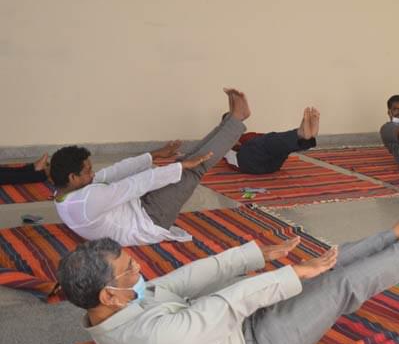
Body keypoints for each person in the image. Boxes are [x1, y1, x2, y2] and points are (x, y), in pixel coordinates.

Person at [56, 191, 399, 344]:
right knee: (333, 287)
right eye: (130, 269)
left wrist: (257, 257)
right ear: (108, 294)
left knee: (319, 268)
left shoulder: (119, 305)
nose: (141, 270)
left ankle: (391, 237)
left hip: (234, 334)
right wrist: (291, 275)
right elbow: (224, 304)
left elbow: (182, 280)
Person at [50, 88, 250, 246]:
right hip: (150, 220)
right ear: (72, 177)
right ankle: (236, 120)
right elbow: (133, 184)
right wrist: (179, 169)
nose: (92, 174)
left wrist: (155, 154)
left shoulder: (64, 193)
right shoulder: (87, 201)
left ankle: (232, 120)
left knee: (186, 163)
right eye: (87, 172)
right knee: (193, 169)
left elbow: (114, 172)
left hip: (139, 206)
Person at [223, 107, 320, 174]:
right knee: (268, 140)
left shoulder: (248, 136)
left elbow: (274, 140)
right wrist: (233, 143)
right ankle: (301, 133)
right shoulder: (224, 142)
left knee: (276, 143)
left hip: (272, 165)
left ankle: (307, 136)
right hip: (248, 164)